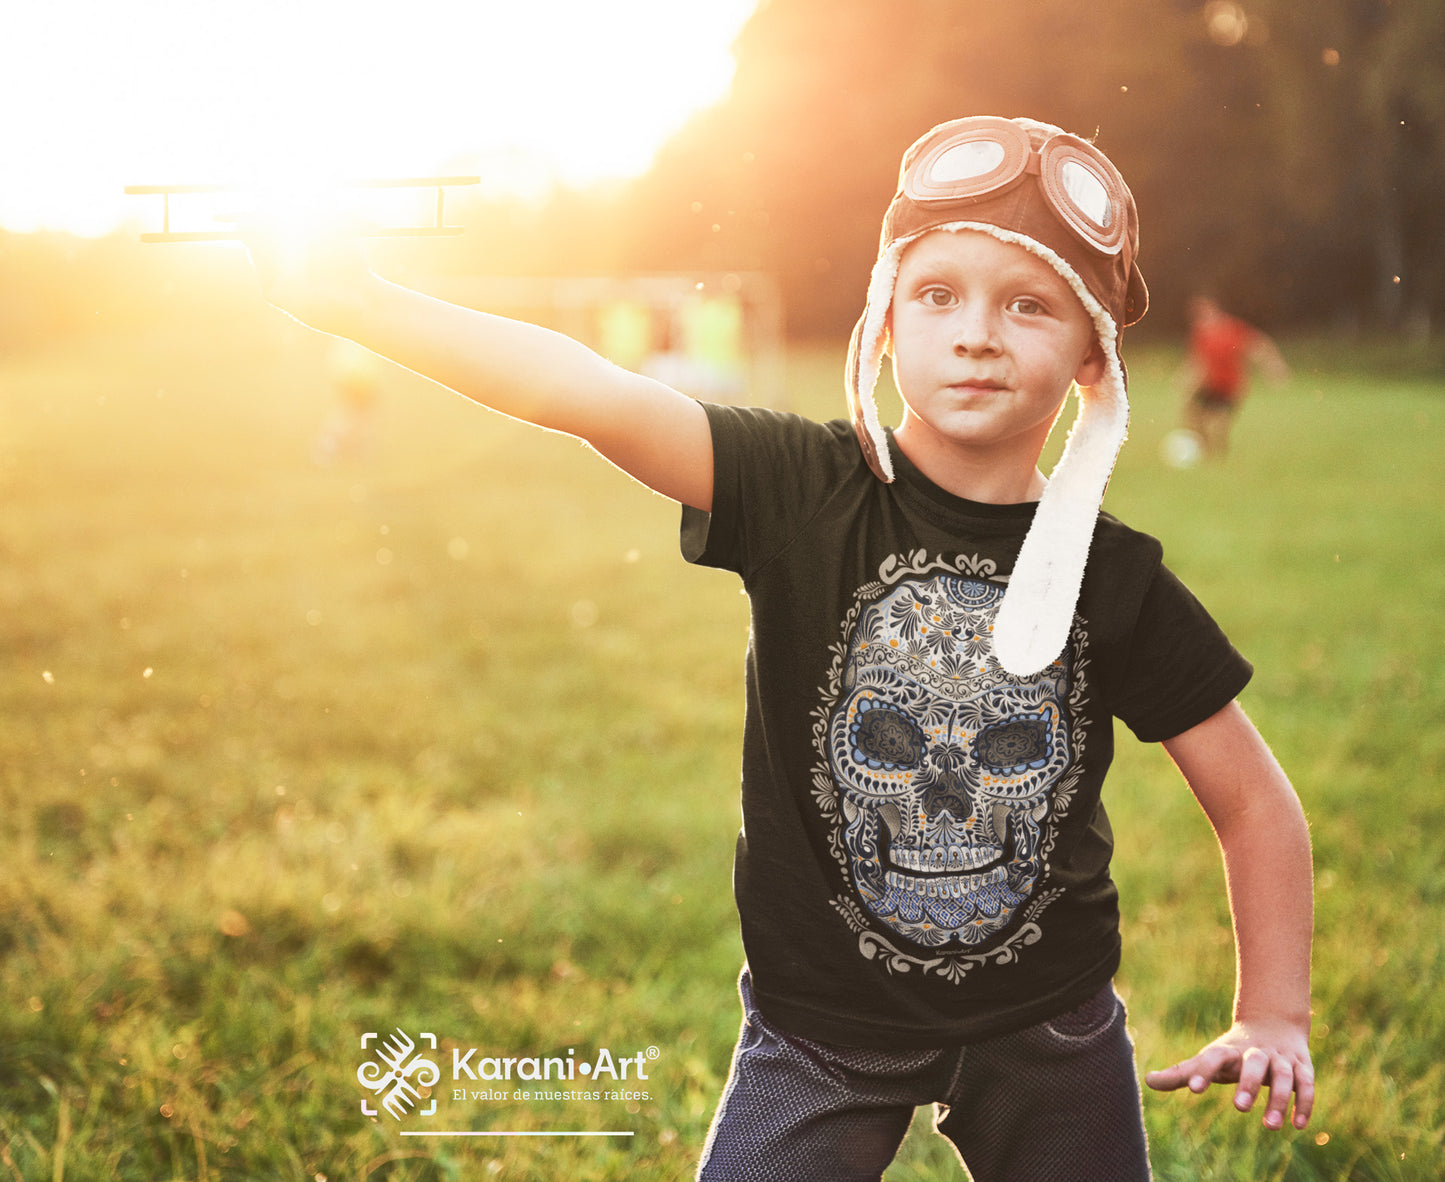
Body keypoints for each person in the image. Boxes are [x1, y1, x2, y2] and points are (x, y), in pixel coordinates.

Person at [242, 115, 1315, 1181]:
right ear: (886, 319)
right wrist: (365, 305)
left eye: (1026, 305)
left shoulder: (1112, 575)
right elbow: (588, 392)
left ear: (1089, 353)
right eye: (938, 294)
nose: (977, 332)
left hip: (1051, 1025)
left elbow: (1252, 802)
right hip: (818, 1029)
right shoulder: (798, 489)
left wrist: (1272, 1014)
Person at [1180, 294, 1290, 458]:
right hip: (1210, 384)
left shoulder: (1231, 329)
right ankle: (1206, 451)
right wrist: (1185, 379)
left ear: (1214, 310)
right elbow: (1197, 360)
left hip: (1231, 385)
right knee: (1194, 416)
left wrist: (1275, 368)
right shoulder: (1200, 333)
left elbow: (1259, 346)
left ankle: (1219, 455)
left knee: (1219, 423)